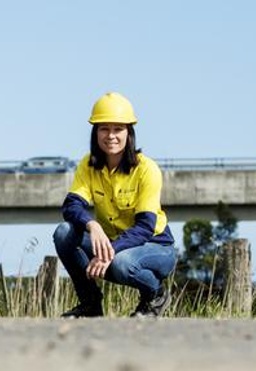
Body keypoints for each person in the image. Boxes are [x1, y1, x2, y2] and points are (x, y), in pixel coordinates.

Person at [53, 92, 176, 318]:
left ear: (129, 133)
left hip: (155, 246)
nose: (111, 136)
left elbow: (145, 227)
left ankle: (155, 296)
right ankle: (90, 304)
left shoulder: (147, 169)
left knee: (121, 264)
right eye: (104, 128)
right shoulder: (87, 165)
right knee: (64, 232)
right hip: (111, 244)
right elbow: (71, 206)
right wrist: (92, 225)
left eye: (118, 129)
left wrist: (108, 252)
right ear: (95, 132)